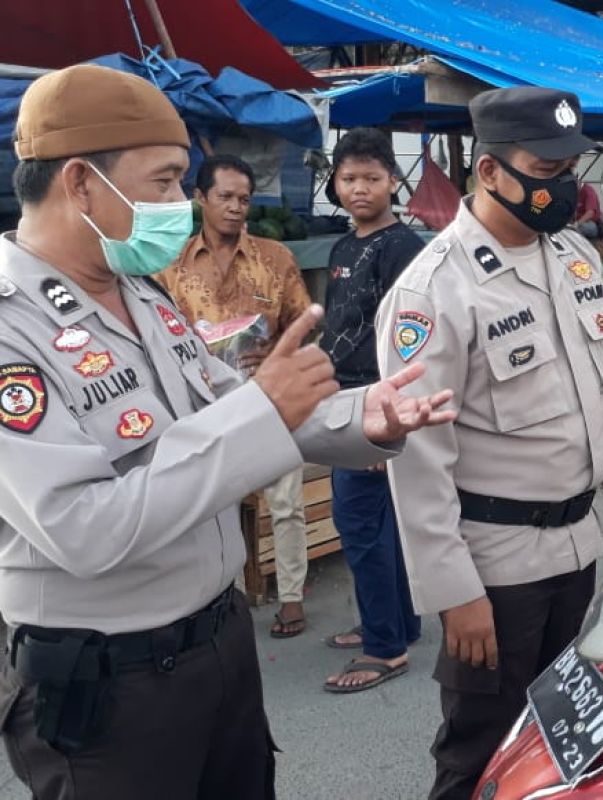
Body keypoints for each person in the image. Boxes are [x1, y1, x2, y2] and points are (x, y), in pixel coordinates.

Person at [0, 64, 455, 800]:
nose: (181, 204)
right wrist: (264, 411)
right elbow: (81, 527)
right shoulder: (10, 324)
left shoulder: (140, 297)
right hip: (113, 685)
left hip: (219, 643)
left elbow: (233, 403)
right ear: (81, 182)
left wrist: (359, 416)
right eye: (166, 181)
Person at [377, 87, 603, 799]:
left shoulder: (574, 259)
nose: (562, 185)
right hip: (495, 570)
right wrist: (455, 593)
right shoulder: (434, 292)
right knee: (481, 748)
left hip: (576, 548)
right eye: (545, 168)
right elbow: (417, 458)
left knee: (564, 734)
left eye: (570, 166)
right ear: (489, 173)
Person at [159, 154, 313, 639]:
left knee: (285, 503)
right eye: (224, 197)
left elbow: (304, 324)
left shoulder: (275, 259)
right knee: (215, 503)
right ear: (200, 199)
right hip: (203, 404)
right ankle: (229, 600)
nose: (235, 208)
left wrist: (277, 345)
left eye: (244, 199)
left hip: (269, 398)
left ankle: (291, 598)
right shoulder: (172, 268)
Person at [319, 127, 430, 693]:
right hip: (344, 403)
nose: (359, 188)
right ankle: (396, 624)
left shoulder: (402, 248)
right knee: (379, 528)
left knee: (361, 526)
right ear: (335, 184)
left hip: (376, 407)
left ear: (393, 180)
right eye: (348, 178)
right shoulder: (344, 247)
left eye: (371, 177)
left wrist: (380, 430)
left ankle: (384, 650)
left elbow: (406, 342)